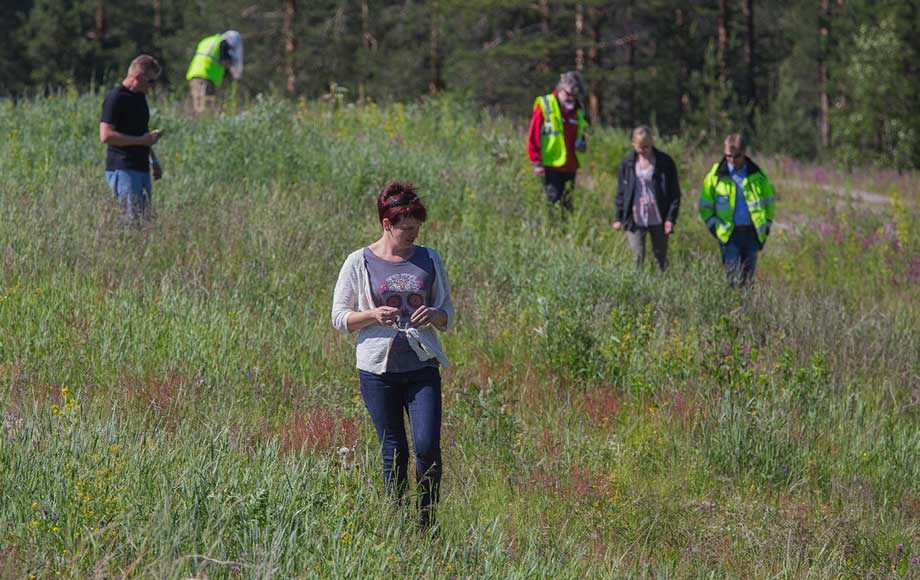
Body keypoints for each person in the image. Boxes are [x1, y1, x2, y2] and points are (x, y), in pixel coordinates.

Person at [331, 182, 454, 529]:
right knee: (394, 451)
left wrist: (434, 314)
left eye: (417, 229)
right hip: (377, 371)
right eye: (407, 230)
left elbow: (448, 313)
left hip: (422, 365)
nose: (413, 235)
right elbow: (339, 318)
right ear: (387, 224)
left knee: (428, 447)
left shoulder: (430, 258)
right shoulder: (359, 261)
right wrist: (372, 315)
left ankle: (427, 523)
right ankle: (396, 522)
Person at [698, 134, 776, 288]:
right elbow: (704, 205)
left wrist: (765, 227)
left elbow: (769, 204)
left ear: (744, 152)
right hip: (729, 236)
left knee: (748, 281)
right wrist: (714, 227)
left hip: (751, 235)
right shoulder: (715, 175)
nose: (732, 160)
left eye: (736, 156)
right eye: (728, 156)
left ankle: (747, 311)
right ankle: (734, 311)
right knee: (733, 280)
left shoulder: (757, 175)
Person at [99, 54, 163, 222]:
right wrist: (141, 141)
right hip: (123, 167)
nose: (153, 86)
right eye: (151, 81)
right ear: (138, 77)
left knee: (145, 220)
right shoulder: (116, 97)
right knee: (130, 220)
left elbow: (142, 131)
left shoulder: (140, 99)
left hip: (141, 167)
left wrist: (153, 160)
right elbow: (106, 135)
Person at [613, 126, 682, 270]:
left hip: (658, 216)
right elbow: (621, 192)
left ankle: (662, 289)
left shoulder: (665, 162)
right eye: (640, 147)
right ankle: (637, 289)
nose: (643, 151)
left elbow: (674, 193)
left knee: (660, 260)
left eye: (647, 147)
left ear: (652, 143)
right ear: (633, 144)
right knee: (636, 258)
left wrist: (670, 218)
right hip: (635, 217)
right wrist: (618, 218)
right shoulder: (627, 163)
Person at [527, 71, 588, 210]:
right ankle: (552, 230)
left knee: (568, 204)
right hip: (550, 165)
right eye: (568, 94)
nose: (571, 98)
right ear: (560, 89)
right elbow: (533, 134)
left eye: (574, 95)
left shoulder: (577, 109)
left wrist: (582, 143)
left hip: (570, 165)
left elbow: (580, 132)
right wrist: (536, 162)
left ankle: (566, 232)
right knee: (553, 202)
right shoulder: (546, 104)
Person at [185, 30, 243, 115]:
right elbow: (225, 61)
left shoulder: (208, 40)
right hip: (206, 75)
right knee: (205, 106)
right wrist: (233, 63)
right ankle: (203, 124)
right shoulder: (223, 43)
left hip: (195, 74)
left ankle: (201, 123)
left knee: (199, 105)